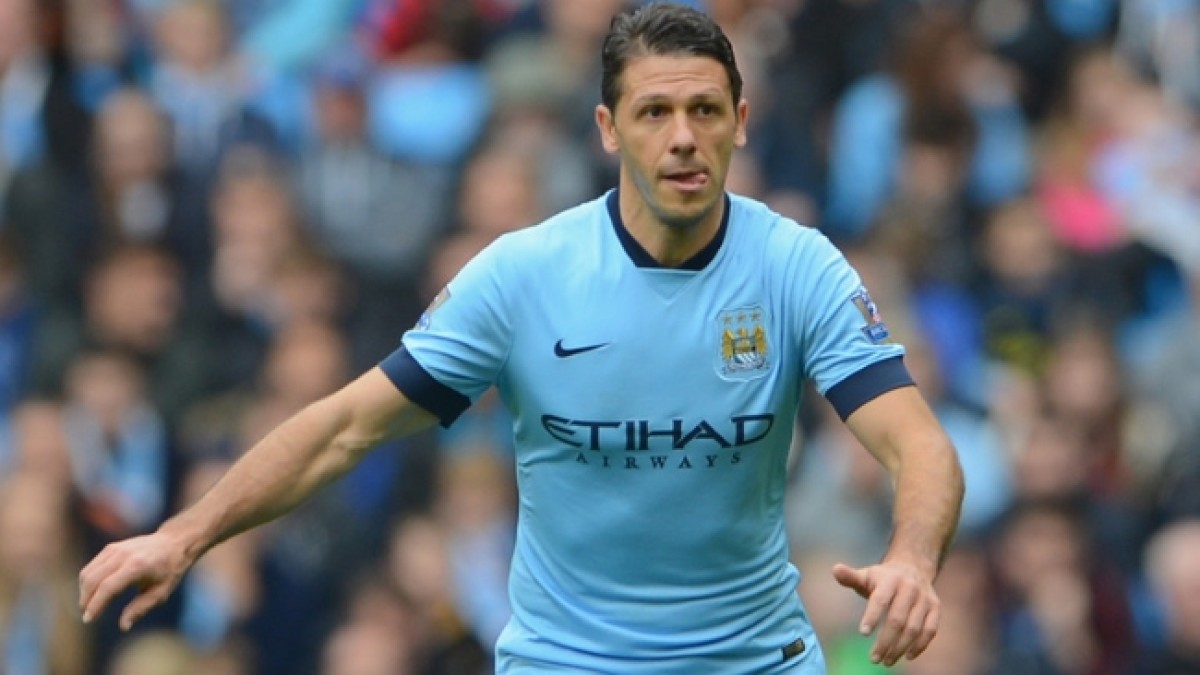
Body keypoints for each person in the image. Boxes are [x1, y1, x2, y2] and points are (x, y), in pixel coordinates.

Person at [79, 4, 964, 672]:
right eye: (654, 112)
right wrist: (184, 535)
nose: (683, 139)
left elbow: (919, 443)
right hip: (566, 661)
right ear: (608, 129)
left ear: (740, 119)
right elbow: (343, 427)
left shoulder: (795, 267)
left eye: (704, 110)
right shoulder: (525, 275)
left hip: (753, 657)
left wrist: (913, 559)